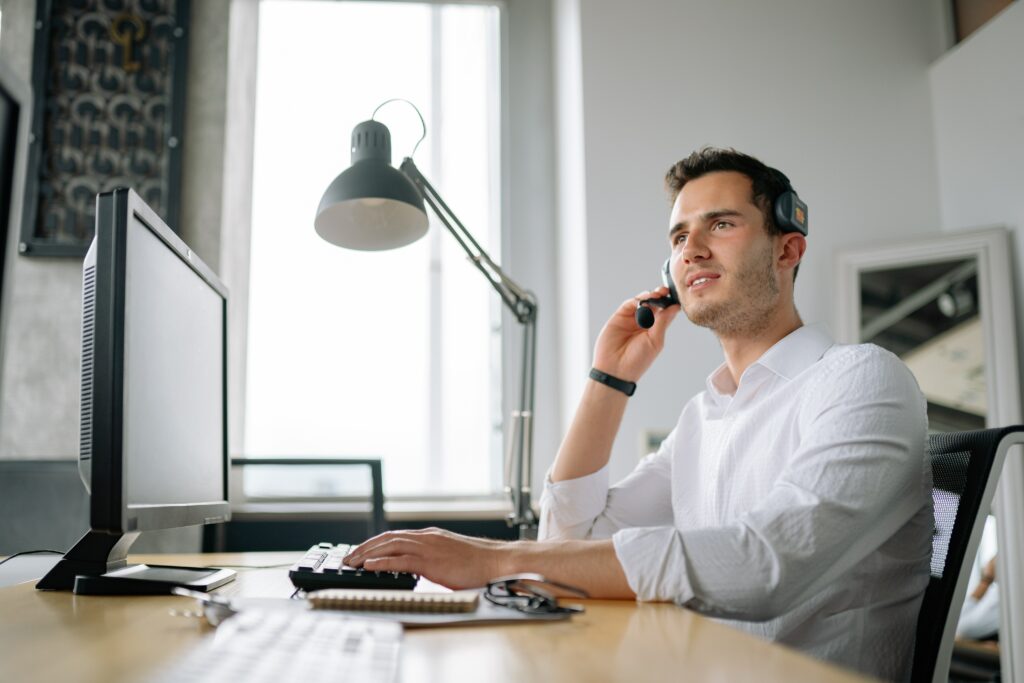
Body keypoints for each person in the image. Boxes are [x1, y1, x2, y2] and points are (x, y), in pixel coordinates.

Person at [344, 148, 933, 681]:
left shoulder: (861, 379)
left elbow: (766, 567)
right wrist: (609, 379)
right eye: (679, 237)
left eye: (721, 225)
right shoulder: (706, 416)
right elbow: (572, 539)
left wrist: (493, 559)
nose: (692, 249)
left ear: (787, 247)